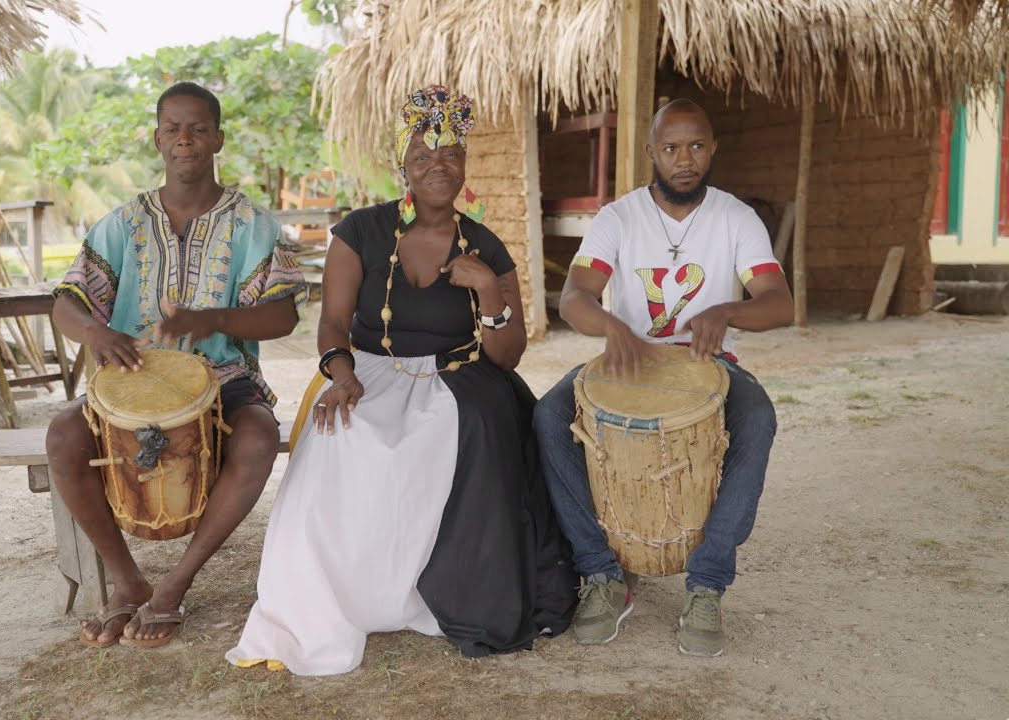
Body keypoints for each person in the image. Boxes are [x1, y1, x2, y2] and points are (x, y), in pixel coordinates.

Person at [225, 85, 578, 676]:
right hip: (364, 371)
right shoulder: (359, 232)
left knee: (476, 430)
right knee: (339, 434)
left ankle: (443, 590)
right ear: (403, 165)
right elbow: (334, 322)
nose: (437, 166)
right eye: (423, 156)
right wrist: (340, 374)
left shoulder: (486, 245)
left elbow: (507, 354)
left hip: (462, 377)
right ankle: (342, 597)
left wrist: (489, 290)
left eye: (450, 155)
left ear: (464, 164)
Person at [47, 81, 307, 649]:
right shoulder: (124, 224)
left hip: (223, 383)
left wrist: (213, 319)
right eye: (173, 128)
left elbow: (284, 314)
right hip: (131, 384)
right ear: (158, 138)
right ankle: (128, 580)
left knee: (259, 438)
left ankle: (173, 587)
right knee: (64, 434)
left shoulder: (252, 225)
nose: (185, 139)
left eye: (197, 128)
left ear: (218, 137)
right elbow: (65, 301)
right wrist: (96, 331)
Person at [533, 99, 794, 657]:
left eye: (696, 146)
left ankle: (707, 582)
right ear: (652, 152)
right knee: (550, 415)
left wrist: (725, 313)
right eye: (671, 148)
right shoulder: (619, 218)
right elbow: (573, 297)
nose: (684, 159)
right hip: (625, 361)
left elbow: (778, 304)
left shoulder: (735, 218)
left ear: (713, 148)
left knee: (759, 418)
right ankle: (602, 574)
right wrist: (610, 327)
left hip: (709, 367)